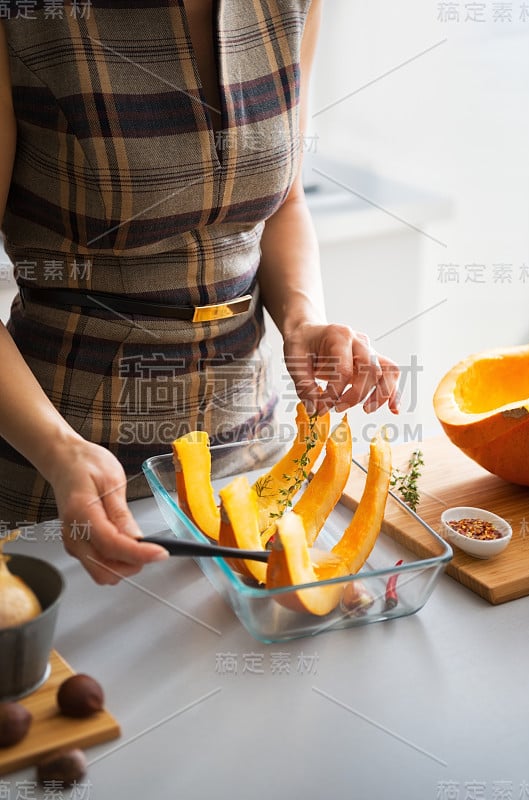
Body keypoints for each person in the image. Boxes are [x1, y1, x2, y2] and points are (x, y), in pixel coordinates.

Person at [0, 0, 399, 586]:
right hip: (60, 472)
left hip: (247, 454)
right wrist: (60, 452)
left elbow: (283, 202)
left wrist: (303, 319)